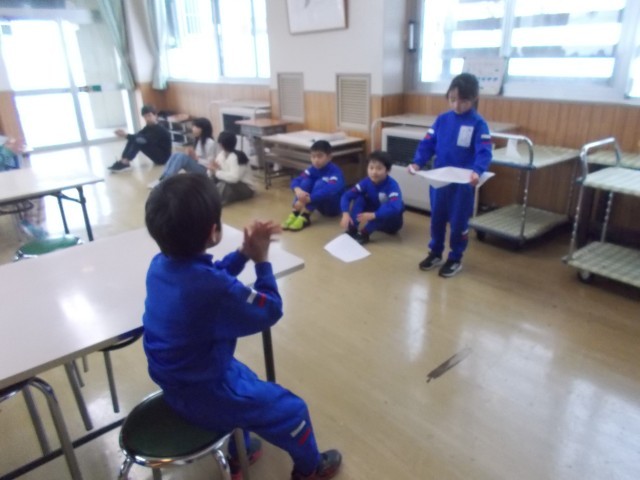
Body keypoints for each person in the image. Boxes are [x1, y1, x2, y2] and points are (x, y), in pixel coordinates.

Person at [143, 173, 342, 480]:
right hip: (205, 391)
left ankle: (242, 451)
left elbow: (211, 275)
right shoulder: (213, 289)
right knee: (294, 411)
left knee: (244, 376)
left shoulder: (160, 265)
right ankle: (310, 469)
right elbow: (270, 309)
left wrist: (242, 255)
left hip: (176, 381)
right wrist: (261, 261)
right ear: (213, 231)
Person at [409, 72, 492, 278]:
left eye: (463, 101)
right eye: (452, 99)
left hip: (462, 184)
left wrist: (477, 171)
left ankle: (455, 257)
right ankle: (435, 252)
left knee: (458, 223)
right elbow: (427, 143)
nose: (457, 105)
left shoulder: (478, 123)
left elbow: (484, 151)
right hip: (439, 180)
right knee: (436, 219)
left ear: (474, 99)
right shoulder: (442, 120)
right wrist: (418, 163)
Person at [339, 150, 404, 244]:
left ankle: (365, 233)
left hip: (391, 224)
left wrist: (374, 215)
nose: (374, 172)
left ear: (387, 170)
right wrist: (345, 213)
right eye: (371, 168)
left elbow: (395, 208)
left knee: (387, 207)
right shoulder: (366, 182)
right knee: (360, 198)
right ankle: (352, 228)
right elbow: (346, 196)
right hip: (374, 215)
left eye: (379, 168)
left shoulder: (392, 186)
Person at [282, 140, 345, 232]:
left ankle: (305, 216)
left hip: (333, 209)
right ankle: (295, 212)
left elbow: (330, 190)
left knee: (320, 183)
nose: (316, 160)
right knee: (306, 182)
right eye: (313, 156)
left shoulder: (335, 172)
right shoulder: (312, 169)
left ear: (329, 157)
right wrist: (298, 190)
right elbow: (297, 180)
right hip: (318, 205)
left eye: (320, 156)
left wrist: (309, 199)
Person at [148, 117, 216, 188]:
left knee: (182, 157)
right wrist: (191, 155)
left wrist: (197, 159)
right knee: (177, 154)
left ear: (203, 129)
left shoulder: (210, 143)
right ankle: (162, 178)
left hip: (206, 171)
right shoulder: (199, 140)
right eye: (193, 126)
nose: (193, 129)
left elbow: (211, 164)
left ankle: (165, 181)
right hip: (198, 165)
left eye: (195, 127)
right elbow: (197, 156)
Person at [108, 105, 172, 172]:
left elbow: (145, 139)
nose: (147, 118)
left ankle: (125, 162)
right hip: (157, 156)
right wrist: (126, 135)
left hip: (164, 159)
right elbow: (136, 136)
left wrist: (126, 135)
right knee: (134, 138)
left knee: (139, 140)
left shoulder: (160, 129)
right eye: (145, 116)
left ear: (155, 115)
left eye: (149, 115)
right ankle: (124, 160)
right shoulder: (148, 127)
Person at [209, 130, 256, 205]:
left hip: (246, 187)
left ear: (221, 145)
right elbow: (214, 171)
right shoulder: (221, 155)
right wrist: (212, 170)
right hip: (230, 183)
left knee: (224, 185)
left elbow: (234, 178)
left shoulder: (239, 156)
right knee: (211, 180)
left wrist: (217, 172)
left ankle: (213, 202)